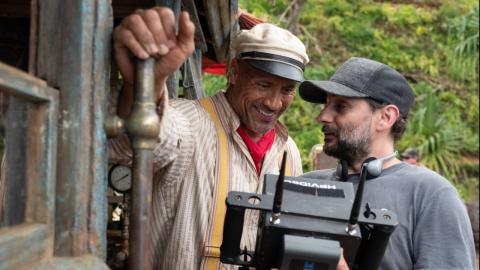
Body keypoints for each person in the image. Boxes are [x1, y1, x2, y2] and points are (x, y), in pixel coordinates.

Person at [110, 7, 349, 270]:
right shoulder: (190, 122)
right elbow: (144, 138)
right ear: (234, 72)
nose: (273, 103)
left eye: (287, 90)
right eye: (263, 84)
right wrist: (145, 86)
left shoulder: (287, 151)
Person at [298, 57, 476, 270]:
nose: (323, 116)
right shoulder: (305, 186)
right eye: (326, 105)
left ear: (385, 117)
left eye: (341, 106)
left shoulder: (431, 195)